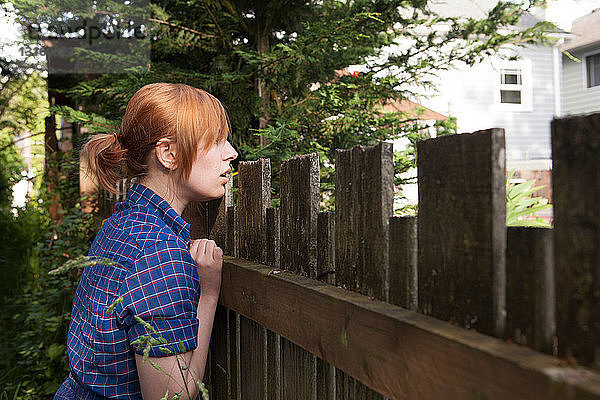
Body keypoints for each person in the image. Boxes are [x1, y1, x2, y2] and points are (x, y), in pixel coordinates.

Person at [55, 83, 238, 399]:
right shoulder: (160, 254)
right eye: (216, 141)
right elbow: (172, 397)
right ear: (169, 154)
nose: (231, 152)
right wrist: (208, 295)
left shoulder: (121, 223)